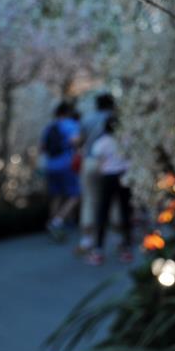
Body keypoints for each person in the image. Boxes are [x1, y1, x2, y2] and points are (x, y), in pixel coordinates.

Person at [86, 116, 133, 266]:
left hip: (107, 178)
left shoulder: (101, 143)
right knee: (125, 212)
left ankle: (98, 249)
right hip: (124, 177)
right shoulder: (126, 140)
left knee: (103, 212)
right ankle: (126, 248)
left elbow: (99, 163)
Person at [76, 93, 115, 253]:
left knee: (90, 199)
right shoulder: (116, 118)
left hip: (91, 161)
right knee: (115, 201)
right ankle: (119, 237)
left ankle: (87, 239)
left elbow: (79, 141)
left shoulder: (87, 119)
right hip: (112, 164)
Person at [42, 101, 80, 240]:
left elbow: (42, 146)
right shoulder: (71, 125)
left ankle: (53, 225)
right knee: (75, 195)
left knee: (56, 196)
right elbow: (75, 141)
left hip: (50, 165)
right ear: (67, 112)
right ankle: (57, 222)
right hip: (66, 164)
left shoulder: (49, 127)